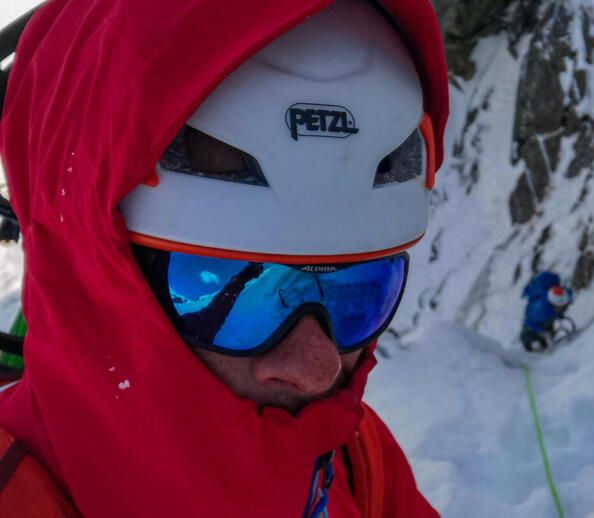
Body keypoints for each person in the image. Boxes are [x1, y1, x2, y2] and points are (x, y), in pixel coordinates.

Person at [0, 0, 448, 516]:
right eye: (217, 281)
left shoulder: (356, 460)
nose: (319, 369)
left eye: (359, 289)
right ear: (93, 284)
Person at [520, 271, 573, 352]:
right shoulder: (541, 311)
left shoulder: (563, 295)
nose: (566, 308)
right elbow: (529, 321)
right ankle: (528, 345)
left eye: (566, 305)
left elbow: (569, 293)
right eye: (563, 307)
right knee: (529, 335)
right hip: (534, 320)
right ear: (555, 305)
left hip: (547, 316)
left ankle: (543, 342)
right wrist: (541, 331)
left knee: (548, 329)